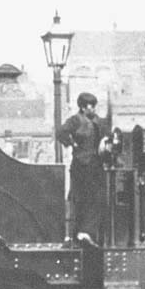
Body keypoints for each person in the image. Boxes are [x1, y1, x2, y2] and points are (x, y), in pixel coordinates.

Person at [56, 92, 108, 246]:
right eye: (91, 106)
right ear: (83, 107)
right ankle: (80, 233)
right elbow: (61, 132)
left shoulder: (98, 121)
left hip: (96, 165)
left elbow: (106, 137)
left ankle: (86, 233)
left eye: (94, 106)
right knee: (80, 198)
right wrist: (71, 143)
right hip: (81, 165)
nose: (93, 109)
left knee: (95, 198)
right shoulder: (75, 120)